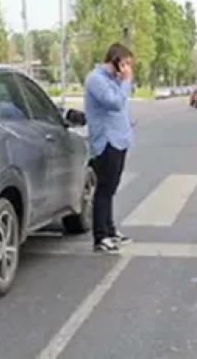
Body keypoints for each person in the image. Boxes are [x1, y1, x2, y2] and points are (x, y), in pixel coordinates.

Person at [84, 43, 135, 254]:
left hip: (119, 140)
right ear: (114, 60)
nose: (127, 69)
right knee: (104, 189)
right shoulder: (95, 79)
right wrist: (126, 81)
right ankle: (100, 236)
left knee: (111, 189)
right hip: (106, 142)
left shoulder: (114, 80)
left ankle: (110, 230)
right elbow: (114, 103)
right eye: (125, 64)